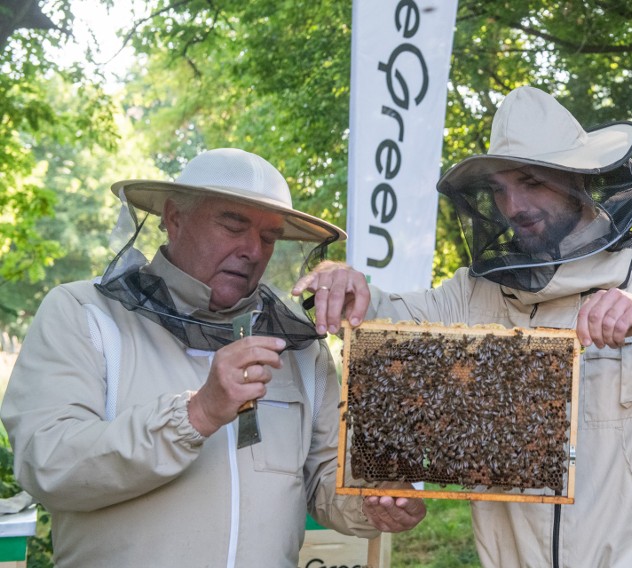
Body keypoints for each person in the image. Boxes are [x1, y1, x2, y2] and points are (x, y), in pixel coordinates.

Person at [293, 86, 632, 567]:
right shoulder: (475, 294)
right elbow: (385, 316)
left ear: (578, 178)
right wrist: (346, 286)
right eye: (499, 189)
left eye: (531, 182)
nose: (514, 207)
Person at [0, 148, 425, 567]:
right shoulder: (83, 314)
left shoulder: (299, 348)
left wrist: (372, 503)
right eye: (233, 225)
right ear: (174, 218)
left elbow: (324, 479)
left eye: (269, 237)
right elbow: (48, 464)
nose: (253, 250)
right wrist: (197, 412)